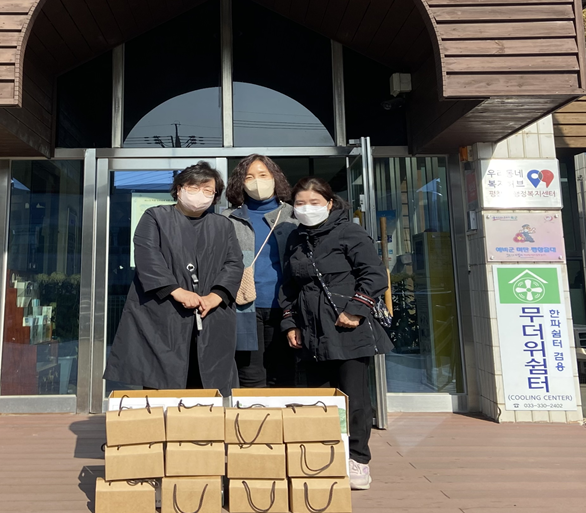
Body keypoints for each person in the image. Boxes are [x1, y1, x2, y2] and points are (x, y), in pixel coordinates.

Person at [279, 177, 392, 491]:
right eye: (300, 203)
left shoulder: (350, 232)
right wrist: (290, 323)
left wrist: (355, 310)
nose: (307, 209)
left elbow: (374, 274)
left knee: (353, 397)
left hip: (347, 327)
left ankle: (358, 458)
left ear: (329, 204)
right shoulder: (295, 238)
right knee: (319, 397)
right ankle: (326, 454)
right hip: (311, 330)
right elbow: (288, 286)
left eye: (314, 203)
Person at [104, 162, 244, 393]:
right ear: (179, 189)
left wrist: (216, 296)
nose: (200, 195)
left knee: (207, 386)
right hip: (162, 315)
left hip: (210, 314)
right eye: (193, 187)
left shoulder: (222, 225)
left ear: (215, 196)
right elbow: (148, 257)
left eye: (208, 190)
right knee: (161, 387)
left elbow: (234, 263)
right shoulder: (155, 217)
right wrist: (177, 291)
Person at [224, 155, 298, 387]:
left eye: (263, 175)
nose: (257, 181)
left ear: (275, 177)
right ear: (240, 182)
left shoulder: (294, 216)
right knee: (249, 375)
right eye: (249, 177)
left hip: (285, 307)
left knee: (283, 376)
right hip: (243, 306)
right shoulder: (227, 219)